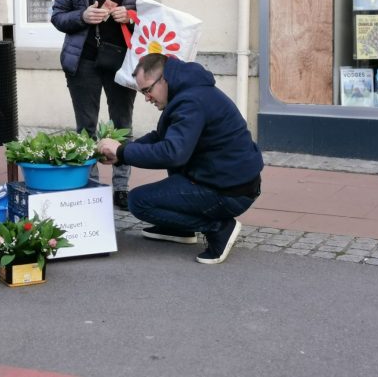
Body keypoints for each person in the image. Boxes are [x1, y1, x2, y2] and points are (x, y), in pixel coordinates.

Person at [97, 54, 263, 264]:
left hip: (230, 192)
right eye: (142, 92)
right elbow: (161, 137)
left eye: (147, 90)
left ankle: (219, 228)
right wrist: (121, 153)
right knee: (171, 170)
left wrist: (122, 152)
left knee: (138, 202)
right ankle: (181, 228)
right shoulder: (187, 92)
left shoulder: (190, 102)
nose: (147, 98)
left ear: (163, 79)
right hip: (227, 180)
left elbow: (172, 153)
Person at [51, 0, 151, 210]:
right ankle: (92, 184)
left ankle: (121, 187)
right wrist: (82, 17)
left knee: (122, 125)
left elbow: (148, 16)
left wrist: (129, 16)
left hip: (121, 62)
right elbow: (58, 16)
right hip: (83, 61)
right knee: (86, 127)